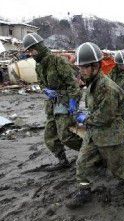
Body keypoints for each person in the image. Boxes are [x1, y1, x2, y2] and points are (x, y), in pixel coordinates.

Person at [66, 42, 124, 209]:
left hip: (111, 134)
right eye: (80, 67)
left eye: (84, 67)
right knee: (81, 162)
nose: (81, 71)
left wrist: (83, 119)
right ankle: (84, 190)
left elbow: (104, 117)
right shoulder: (92, 83)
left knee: (118, 169)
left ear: (95, 66)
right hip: (94, 133)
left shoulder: (107, 88)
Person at [22, 33, 82, 170]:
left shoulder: (57, 61)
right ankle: (63, 161)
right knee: (50, 136)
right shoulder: (39, 66)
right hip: (53, 101)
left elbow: (73, 84)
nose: (31, 54)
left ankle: (93, 152)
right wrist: (46, 90)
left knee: (66, 136)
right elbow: (42, 83)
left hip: (67, 99)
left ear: (39, 47)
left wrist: (73, 101)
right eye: (29, 51)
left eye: (32, 50)